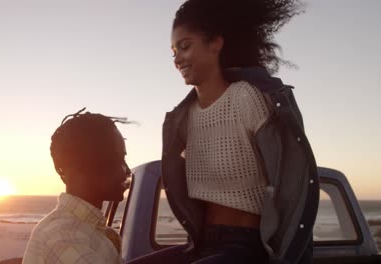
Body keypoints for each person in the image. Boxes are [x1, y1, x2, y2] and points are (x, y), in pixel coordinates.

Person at [130, 0, 318, 263]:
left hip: (246, 246)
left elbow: (291, 177)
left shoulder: (247, 98)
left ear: (215, 43)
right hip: (199, 242)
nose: (177, 59)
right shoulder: (182, 118)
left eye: (185, 46)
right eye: (173, 51)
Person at [23, 109, 131, 264]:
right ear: (87, 164)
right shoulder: (66, 240)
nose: (127, 170)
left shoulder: (86, 229)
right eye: (119, 159)